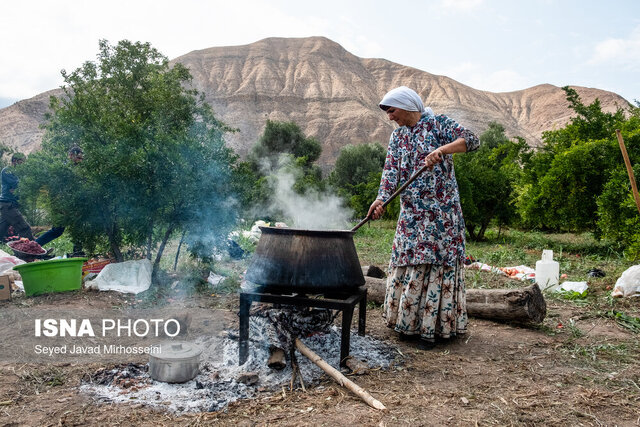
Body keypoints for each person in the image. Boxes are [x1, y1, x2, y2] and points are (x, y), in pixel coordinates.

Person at [367, 86, 480, 350]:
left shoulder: (438, 124)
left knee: (434, 264)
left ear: (407, 105)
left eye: (392, 110)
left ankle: (433, 329)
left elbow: (472, 140)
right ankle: (407, 325)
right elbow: (390, 173)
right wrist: (380, 199)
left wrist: (443, 149)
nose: (390, 117)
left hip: (441, 215)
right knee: (409, 261)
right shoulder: (398, 138)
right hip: (411, 216)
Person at [35, 145, 84, 256]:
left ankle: (77, 252)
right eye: (78, 158)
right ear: (71, 155)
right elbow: (56, 190)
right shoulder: (64, 170)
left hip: (72, 205)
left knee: (78, 227)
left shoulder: (77, 169)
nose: (80, 161)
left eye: (81, 159)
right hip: (61, 205)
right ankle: (33, 247)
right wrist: (61, 207)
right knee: (57, 230)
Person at [0, 153, 34, 241]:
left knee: (2, 228)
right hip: (8, 204)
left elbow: (22, 185)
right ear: (14, 161)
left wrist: (17, 188)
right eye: (21, 162)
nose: (23, 164)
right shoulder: (7, 171)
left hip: (10, 204)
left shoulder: (17, 173)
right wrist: (19, 186)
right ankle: (34, 250)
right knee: (24, 228)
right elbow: (18, 183)